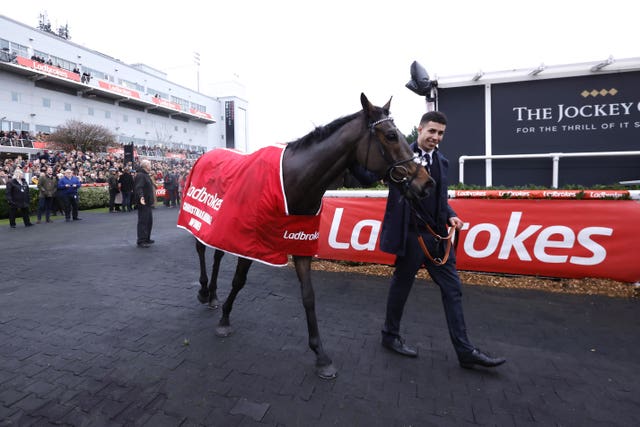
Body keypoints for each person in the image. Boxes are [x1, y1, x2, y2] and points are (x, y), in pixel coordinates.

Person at [379, 111, 506, 369]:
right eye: (432, 132)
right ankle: (390, 336)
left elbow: (441, 201)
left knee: (453, 290)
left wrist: (451, 216)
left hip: (438, 239)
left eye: (441, 134)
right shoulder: (399, 156)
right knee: (401, 287)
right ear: (420, 129)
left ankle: (464, 351)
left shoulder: (443, 162)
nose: (436, 137)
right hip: (412, 237)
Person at [134, 159, 155, 248]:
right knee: (143, 221)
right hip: (143, 202)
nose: (151, 166)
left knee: (149, 221)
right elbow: (139, 187)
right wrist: (141, 197)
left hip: (148, 202)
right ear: (146, 166)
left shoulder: (145, 175)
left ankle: (146, 238)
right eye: (150, 164)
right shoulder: (141, 175)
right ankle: (141, 240)